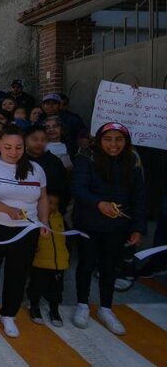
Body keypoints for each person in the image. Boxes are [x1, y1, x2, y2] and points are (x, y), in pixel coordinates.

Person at [0, 125, 49, 338]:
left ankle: (9, 314)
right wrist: (8, 210)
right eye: (7, 147)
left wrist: (44, 222)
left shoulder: (36, 169)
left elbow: (42, 198)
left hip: (26, 231)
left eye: (18, 147)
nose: (13, 152)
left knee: (18, 273)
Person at [72, 123, 145, 336]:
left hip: (117, 225)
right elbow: (78, 188)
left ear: (126, 141)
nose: (113, 144)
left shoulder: (132, 161)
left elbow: (139, 197)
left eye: (119, 139)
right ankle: (82, 305)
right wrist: (99, 204)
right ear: (99, 140)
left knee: (109, 267)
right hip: (88, 223)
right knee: (86, 264)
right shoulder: (87, 158)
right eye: (108, 139)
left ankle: (106, 308)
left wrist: (137, 227)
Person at [27, 195, 68, 327]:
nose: (52, 206)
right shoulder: (34, 219)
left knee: (57, 289)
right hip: (40, 262)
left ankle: (54, 310)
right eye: (49, 202)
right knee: (36, 286)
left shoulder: (61, 219)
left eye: (55, 204)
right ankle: (34, 306)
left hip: (58, 263)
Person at [24, 126, 69, 209]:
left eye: (43, 140)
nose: (39, 143)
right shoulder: (19, 160)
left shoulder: (54, 162)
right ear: (25, 140)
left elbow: (63, 188)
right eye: (35, 139)